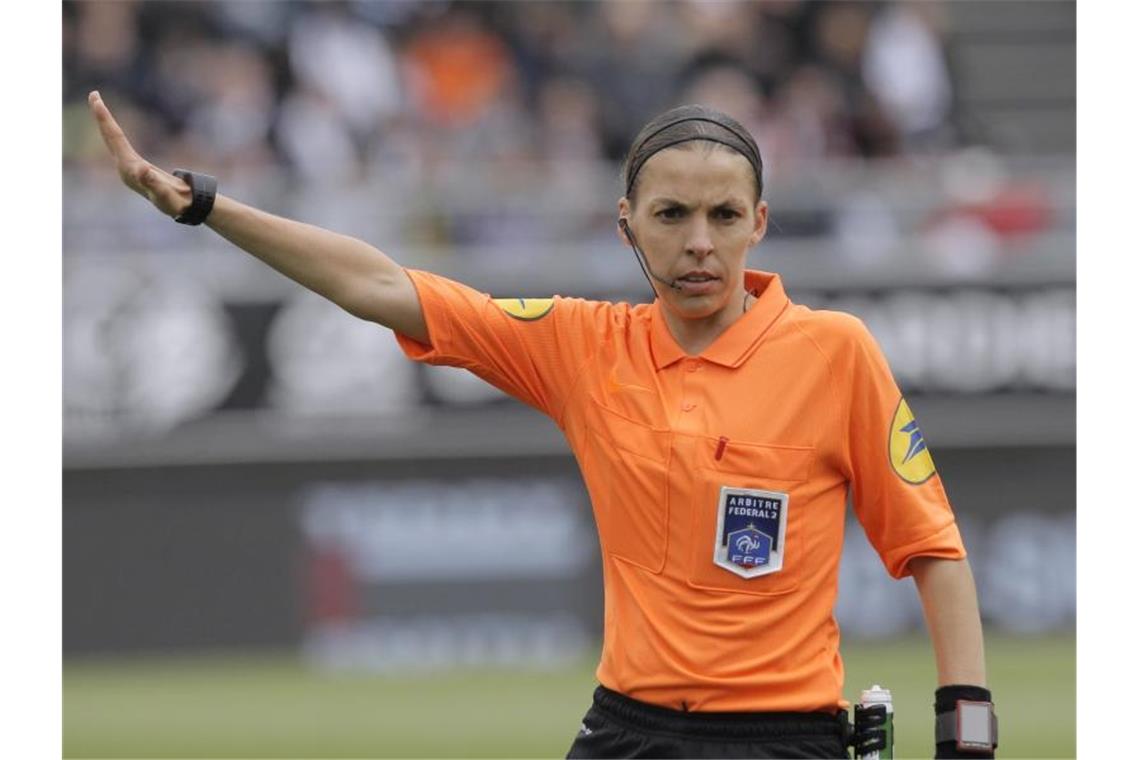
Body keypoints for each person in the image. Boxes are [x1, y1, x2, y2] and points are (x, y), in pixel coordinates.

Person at [88, 91, 997, 759]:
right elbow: (378, 286)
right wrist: (206, 207)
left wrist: (968, 733)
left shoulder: (835, 352)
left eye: (724, 216)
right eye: (671, 215)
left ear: (760, 222)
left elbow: (932, 547)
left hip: (785, 739)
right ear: (625, 226)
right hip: (627, 731)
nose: (699, 244)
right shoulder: (581, 343)